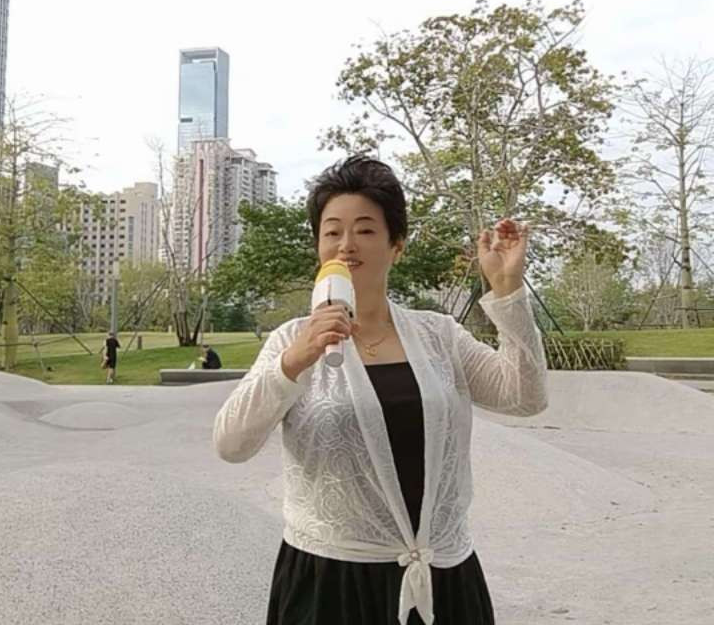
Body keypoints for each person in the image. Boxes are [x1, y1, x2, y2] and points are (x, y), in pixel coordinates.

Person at [212, 155, 548, 625]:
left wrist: (508, 291)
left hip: (443, 576)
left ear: (396, 246)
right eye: (332, 232)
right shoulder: (291, 340)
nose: (346, 244)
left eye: (366, 230)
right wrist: (294, 361)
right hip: (330, 584)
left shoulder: (439, 336)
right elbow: (230, 445)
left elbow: (525, 397)